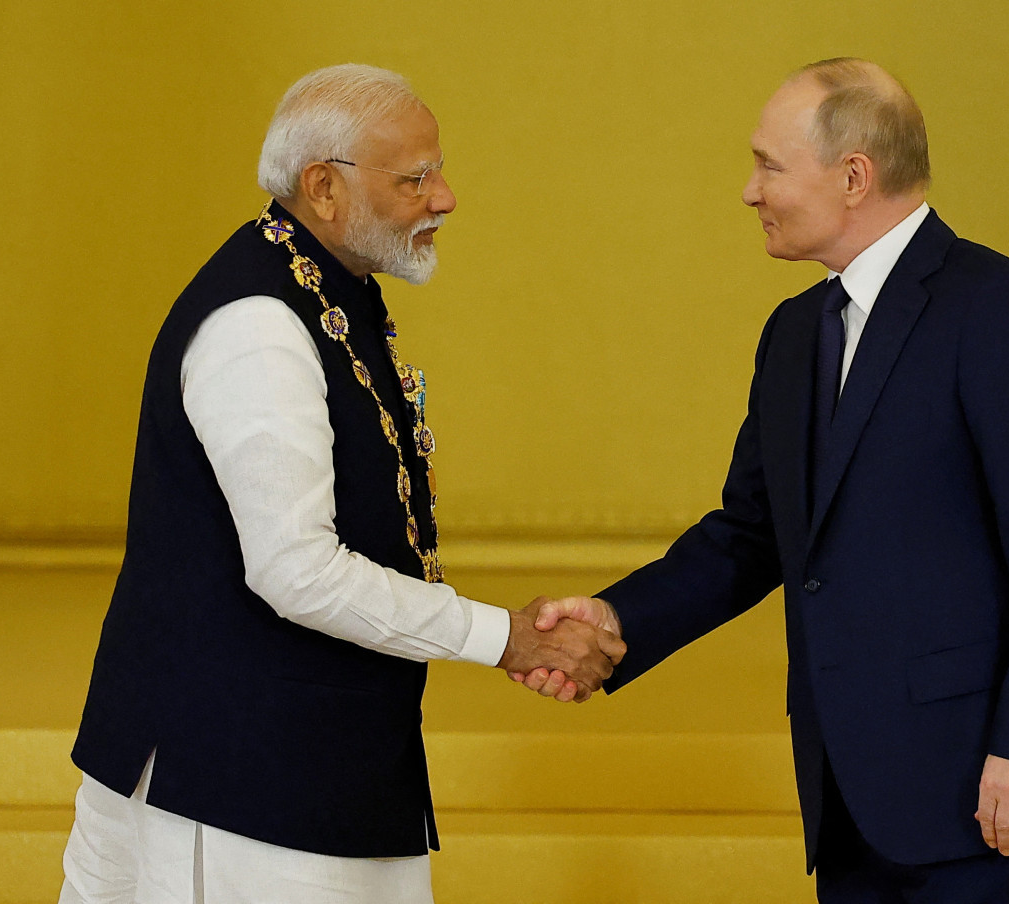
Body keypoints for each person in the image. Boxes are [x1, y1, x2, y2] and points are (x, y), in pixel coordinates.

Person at [517, 58, 1009, 903]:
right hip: (848, 804)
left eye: (767, 164)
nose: (748, 190)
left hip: (993, 803)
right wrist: (618, 620)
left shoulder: (1006, 315)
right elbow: (752, 532)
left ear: (853, 176)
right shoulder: (797, 332)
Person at [59, 64, 624, 904]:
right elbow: (297, 572)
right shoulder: (258, 324)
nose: (446, 197)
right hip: (235, 790)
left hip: (320, 773)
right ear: (323, 187)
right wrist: (506, 637)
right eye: (416, 177)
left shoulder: (331, 289)